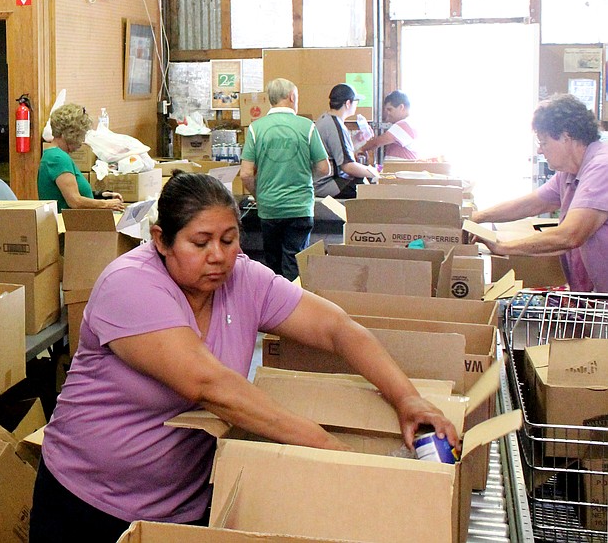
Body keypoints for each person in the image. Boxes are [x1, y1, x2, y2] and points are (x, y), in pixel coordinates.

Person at [30, 172, 458, 542]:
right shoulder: (131, 286)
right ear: (161, 240)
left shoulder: (243, 278)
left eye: (229, 240)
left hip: (182, 505)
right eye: (200, 243)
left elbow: (337, 329)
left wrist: (407, 397)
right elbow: (212, 387)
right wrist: (333, 452)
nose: (218, 256)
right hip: (86, 504)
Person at [471, 94, 608, 292]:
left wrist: (504, 247)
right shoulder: (569, 173)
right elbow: (533, 203)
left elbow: (570, 236)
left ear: (565, 137)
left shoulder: (601, 167)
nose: (540, 150)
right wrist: (477, 217)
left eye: (543, 142)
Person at [238, 78, 330, 280]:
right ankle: (293, 306)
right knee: (295, 263)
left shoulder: (256, 128)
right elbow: (324, 168)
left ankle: (273, 305)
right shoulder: (307, 126)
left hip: (269, 208)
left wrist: (259, 195)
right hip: (300, 207)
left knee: (272, 264)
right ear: (292, 97)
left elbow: (245, 174)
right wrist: (304, 177)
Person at [38, 103, 125, 212]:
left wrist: (101, 195)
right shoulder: (57, 158)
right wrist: (106, 204)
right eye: (81, 135)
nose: (82, 141)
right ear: (70, 134)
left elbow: (71, 193)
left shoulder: (55, 155)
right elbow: (74, 201)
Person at [314, 83, 379, 199]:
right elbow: (347, 166)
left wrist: (357, 139)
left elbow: (337, 150)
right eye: (355, 101)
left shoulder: (326, 119)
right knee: (369, 191)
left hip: (320, 182)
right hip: (327, 184)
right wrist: (373, 172)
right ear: (348, 103)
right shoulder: (334, 125)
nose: (356, 105)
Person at [356, 90, 420, 162]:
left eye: (390, 109)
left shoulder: (405, 124)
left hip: (402, 171)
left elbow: (377, 143)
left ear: (401, 107)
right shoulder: (409, 123)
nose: (388, 113)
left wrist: (361, 149)